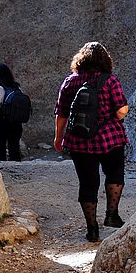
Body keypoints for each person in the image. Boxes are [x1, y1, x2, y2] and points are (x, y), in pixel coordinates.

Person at [54, 42, 129, 242]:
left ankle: (92, 228)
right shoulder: (110, 81)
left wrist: (58, 138)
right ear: (105, 60)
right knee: (114, 173)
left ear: (81, 59)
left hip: (79, 141)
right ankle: (112, 215)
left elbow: (61, 113)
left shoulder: (70, 82)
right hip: (110, 138)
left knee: (87, 183)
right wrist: (119, 114)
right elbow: (121, 110)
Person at [0, 63, 23, 162]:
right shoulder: (16, 87)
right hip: (16, 122)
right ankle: (18, 172)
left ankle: (4, 172)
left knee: (1, 150)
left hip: (1, 122)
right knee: (15, 149)